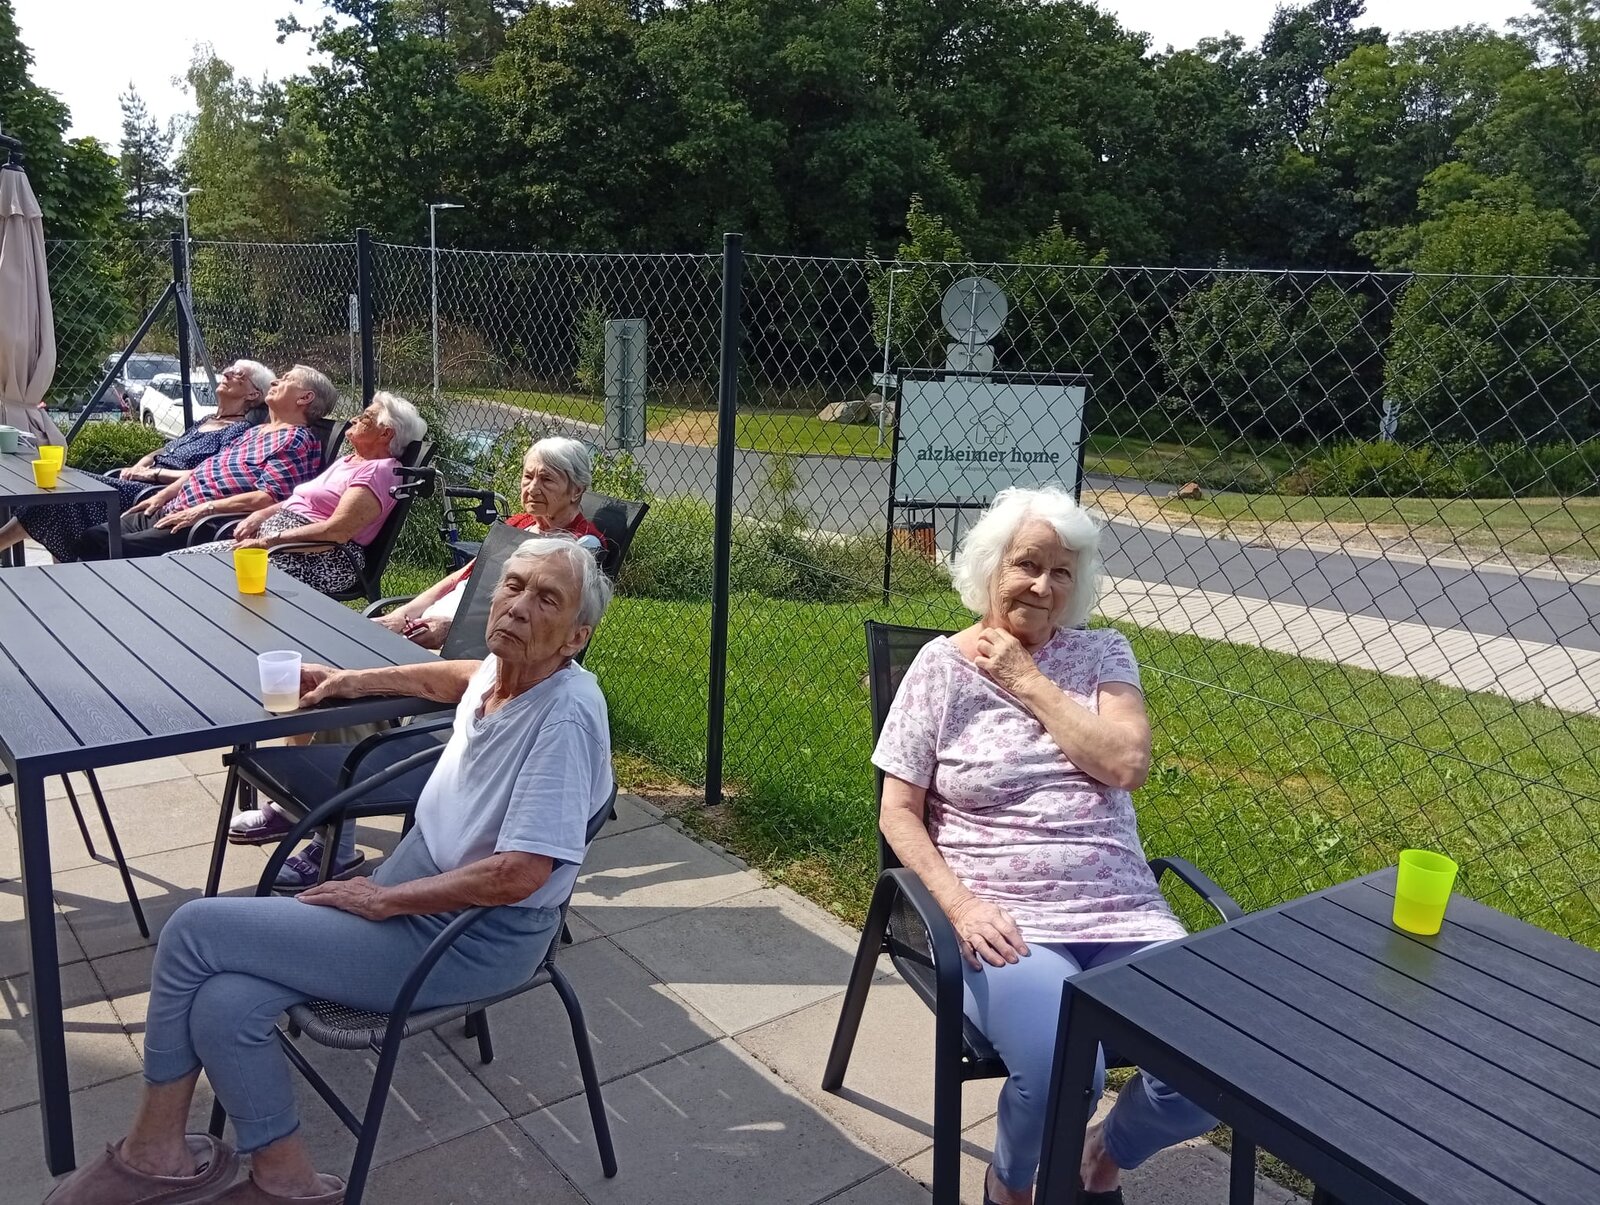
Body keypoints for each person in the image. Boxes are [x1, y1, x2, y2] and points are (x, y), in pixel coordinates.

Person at [42, 535, 615, 1205]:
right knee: (225, 1004)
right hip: (418, 892)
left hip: (468, 934)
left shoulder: (566, 717)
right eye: (513, 585)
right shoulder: (505, 670)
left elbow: (521, 872)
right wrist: (352, 681)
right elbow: (459, 677)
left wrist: (387, 899)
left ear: (575, 638)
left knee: (193, 931)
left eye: (546, 599)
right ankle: (288, 1182)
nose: (518, 605)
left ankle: (153, 1150)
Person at [870, 485, 1215, 1205]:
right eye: (1027, 564)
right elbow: (898, 812)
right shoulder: (938, 668)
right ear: (991, 567)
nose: (1042, 585)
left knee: (1212, 1064)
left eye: (1062, 572)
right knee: (1064, 1069)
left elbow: (1125, 763)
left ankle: (1105, 1155)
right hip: (1006, 920)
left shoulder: (1103, 653)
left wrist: (1027, 680)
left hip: (1123, 910)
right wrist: (960, 906)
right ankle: (1010, 1184)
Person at [0, 360, 276, 563]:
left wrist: (152, 474)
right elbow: (167, 449)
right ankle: (65, 573)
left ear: (253, 394)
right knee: (59, 496)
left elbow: (204, 473)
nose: (227, 373)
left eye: (238, 375)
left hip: (154, 493)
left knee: (63, 491)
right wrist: (143, 461)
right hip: (140, 480)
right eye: (229, 369)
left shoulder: (240, 431)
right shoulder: (207, 420)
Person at [76, 365, 338, 560]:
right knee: (93, 537)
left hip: (206, 524)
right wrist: (162, 496)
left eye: (287, 379)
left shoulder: (296, 440)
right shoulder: (254, 431)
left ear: (305, 398)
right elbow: (203, 469)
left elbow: (268, 498)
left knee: (106, 548)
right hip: (174, 508)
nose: (275, 381)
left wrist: (204, 510)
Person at [174, 392, 427, 595]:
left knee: (208, 579)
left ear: (385, 433)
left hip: (321, 559)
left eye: (365, 418)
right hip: (279, 547)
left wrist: (266, 542)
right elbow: (300, 500)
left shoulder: (378, 471)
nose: (354, 419)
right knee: (174, 564)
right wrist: (260, 516)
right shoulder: (349, 461)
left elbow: (336, 532)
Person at [377, 435, 606, 649]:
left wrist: (453, 631)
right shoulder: (520, 523)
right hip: (434, 625)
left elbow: (534, 616)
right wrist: (403, 615)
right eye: (528, 477)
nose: (532, 488)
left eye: (546, 479)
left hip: (480, 645)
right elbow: (462, 575)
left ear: (576, 490)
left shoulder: (580, 546)